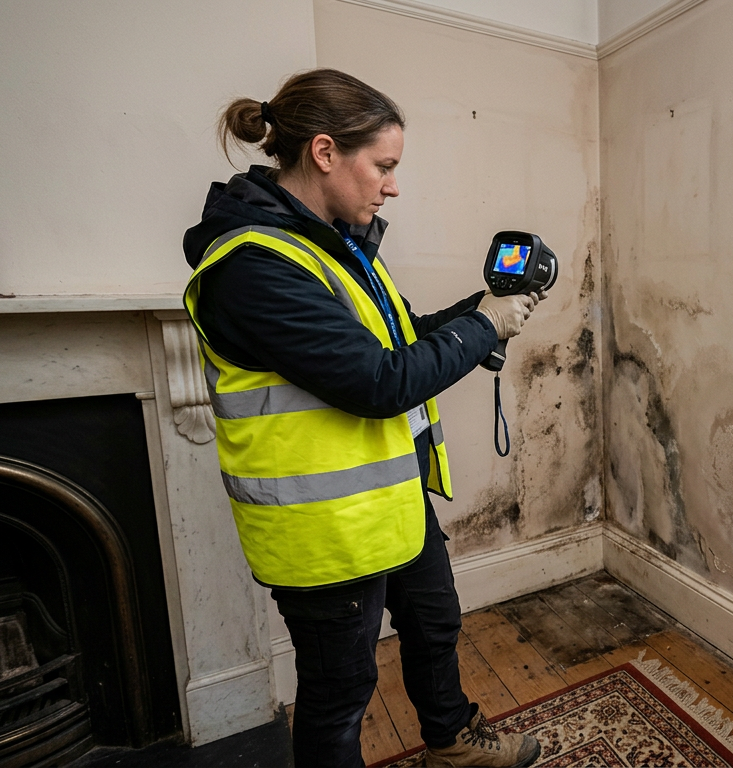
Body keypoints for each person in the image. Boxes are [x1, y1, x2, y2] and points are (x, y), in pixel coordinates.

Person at [182, 68, 542, 768]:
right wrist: (483, 329)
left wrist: (484, 312)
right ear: (324, 152)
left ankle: (452, 745)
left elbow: (402, 342)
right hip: (325, 532)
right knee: (340, 691)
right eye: (384, 165)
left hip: (389, 501)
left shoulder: (333, 247)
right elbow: (379, 383)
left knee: (434, 624)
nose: (392, 184)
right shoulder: (256, 267)